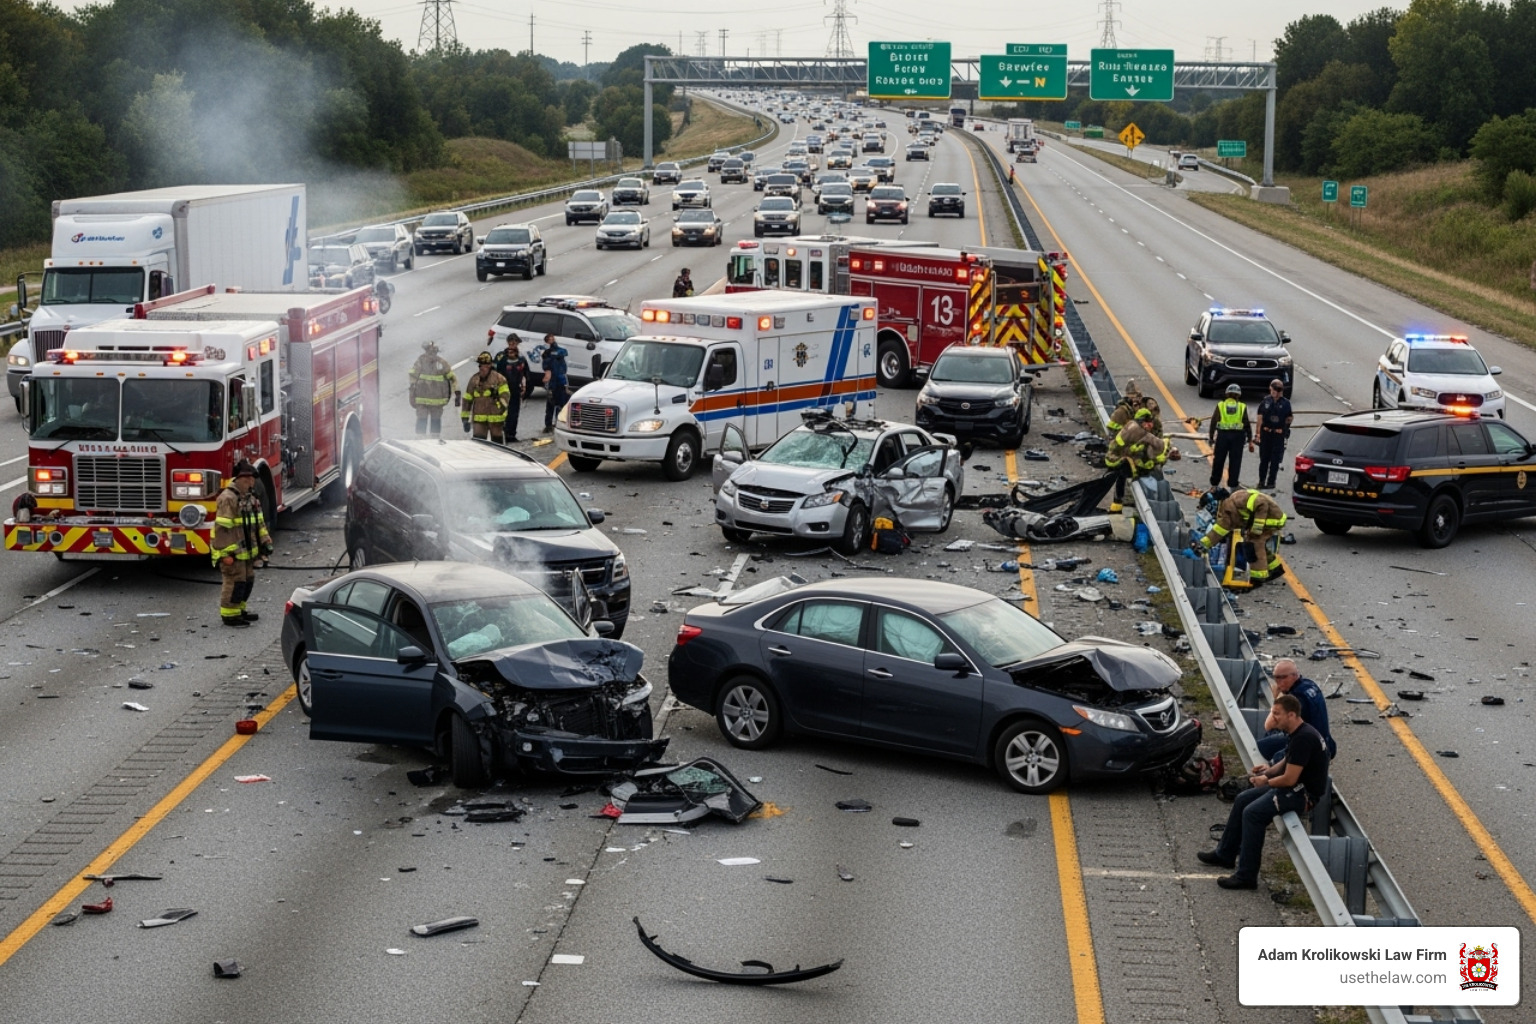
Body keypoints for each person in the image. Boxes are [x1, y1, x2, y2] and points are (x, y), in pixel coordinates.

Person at [1198, 693, 1328, 889]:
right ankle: (1225, 854)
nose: (1273, 718)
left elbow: (1290, 779)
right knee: (1242, 799)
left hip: (1302, 794)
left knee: (1253, 814)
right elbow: (1285, 762)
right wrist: (1267, 775)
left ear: (1291, 715)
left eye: (1277, 714)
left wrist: (1266, 782)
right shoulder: (1298, 732)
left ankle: (1246, 876)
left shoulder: (1304, 739)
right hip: (1292, 786)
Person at [211, 460, 272, 628]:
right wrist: (225, 554)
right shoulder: (228, 498)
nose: (251, 482)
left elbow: (259, 524)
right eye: (247, 479)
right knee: (234, 582)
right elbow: (222, 530)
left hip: (247, 552)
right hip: (233, 552)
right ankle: (229, 615)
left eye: (252, 479)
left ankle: (239, 610)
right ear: (238, 479)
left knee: (247, 581)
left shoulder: (251, 499)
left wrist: (265, 543)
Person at [1194, 486, 1288, 583]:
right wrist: (1203, 544)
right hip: (1267, 521)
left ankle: (1259, 577)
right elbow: (1219, 531)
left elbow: (1261, 503)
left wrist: (1256, 528)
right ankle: (1275, 568)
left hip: (1272, 520)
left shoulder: (1237, 500)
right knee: (1257, 545)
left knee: (1254, 545)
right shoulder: (1228, 509)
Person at [1256, 659, 1335, 763]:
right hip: (1327, 743)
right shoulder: (1310, 684)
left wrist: (1277, 699)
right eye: (1276, 678)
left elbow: (1268, 725)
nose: (1279, 682)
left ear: (1295, 676)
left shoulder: (1297, 698)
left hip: (1312, 748)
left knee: (1262, 746)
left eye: (1283, 678)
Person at [1207, 383, 1253, 489]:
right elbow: (1246, 423)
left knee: (1219, 460)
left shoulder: (1221, 405)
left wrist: (1211, 437)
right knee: (1235, 461)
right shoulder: (1242, 406)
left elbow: (1214, 421)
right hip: (1238, 437)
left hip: (1223, 436)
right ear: (1238, 395)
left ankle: (1214, 483)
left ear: (1227, 394)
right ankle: (1232, 484)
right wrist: (1250, 439)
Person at [407, 340, 457, 436]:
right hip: (437, 399)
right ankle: (434, 440)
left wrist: (412, 392)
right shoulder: (442, 362)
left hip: (422, 397)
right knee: (435, 420)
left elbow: (413, 375)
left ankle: (421, 440)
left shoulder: (420, 360)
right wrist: (456, 392)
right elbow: (452, 378)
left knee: (423, 418)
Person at [461, 352, 509, 443]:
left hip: (496, 419)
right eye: (480, 365)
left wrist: (496, 397)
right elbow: (467, 400)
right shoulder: (474, 380)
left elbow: (505, 398)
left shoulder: (499, 379)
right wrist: (464, 419)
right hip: (479, 419)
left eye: (484, 365)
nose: (481, 368)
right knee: (479, 445)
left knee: (497, 446)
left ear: (490, 365)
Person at [1255, 379, 1293, 490]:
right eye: (1274, 388)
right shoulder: (1265, 402)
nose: (1276, 392)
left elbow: (1289, 418)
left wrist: (1284, 429)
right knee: (1264, 460)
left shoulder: (1286, 403)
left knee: (1275, 460)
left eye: (1279, 389)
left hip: (1278, 435)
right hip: (1266, 433)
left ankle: (1271, 482)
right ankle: (1261, 481)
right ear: (1270, 388)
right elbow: (1260, 418)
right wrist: (1258, 434)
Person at [493, 336, 529, 443]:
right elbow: (494, 371)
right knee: (501, 411)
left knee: (514, 412)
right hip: (502, 388)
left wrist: (525, 387)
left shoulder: (521, 358)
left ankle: (511, 434)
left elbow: (526, 373)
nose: (513, 344)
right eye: (511, 343)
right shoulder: (501, 356)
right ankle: (499, 432)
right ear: (507, 343)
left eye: (515, 343)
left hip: (515, 389)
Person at [541, 333, 570, 434]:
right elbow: (546, 367)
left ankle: (558, 423)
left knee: (560, 403)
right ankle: (548, 425)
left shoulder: (559, 351)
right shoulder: (546, 353)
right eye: (549, 339)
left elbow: (564, 352)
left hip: (560, 380)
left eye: (552, 338)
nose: (551, 340)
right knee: (550, 403)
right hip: (552, 381)